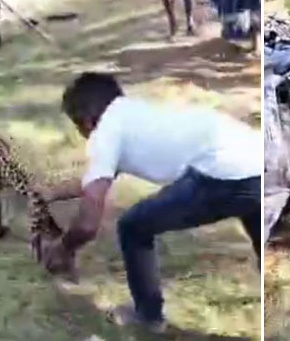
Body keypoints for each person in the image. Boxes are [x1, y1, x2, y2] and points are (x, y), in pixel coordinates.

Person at [41, 72, 261, 334]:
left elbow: (88, 224)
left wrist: (64, 248)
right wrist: (51, 192)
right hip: (256, 158)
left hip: (221, 175)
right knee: (257, 220)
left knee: (133, 227)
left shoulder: (105, 133)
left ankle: (148, 318)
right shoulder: (131, 114)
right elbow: (97, 178)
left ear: (87, 121)